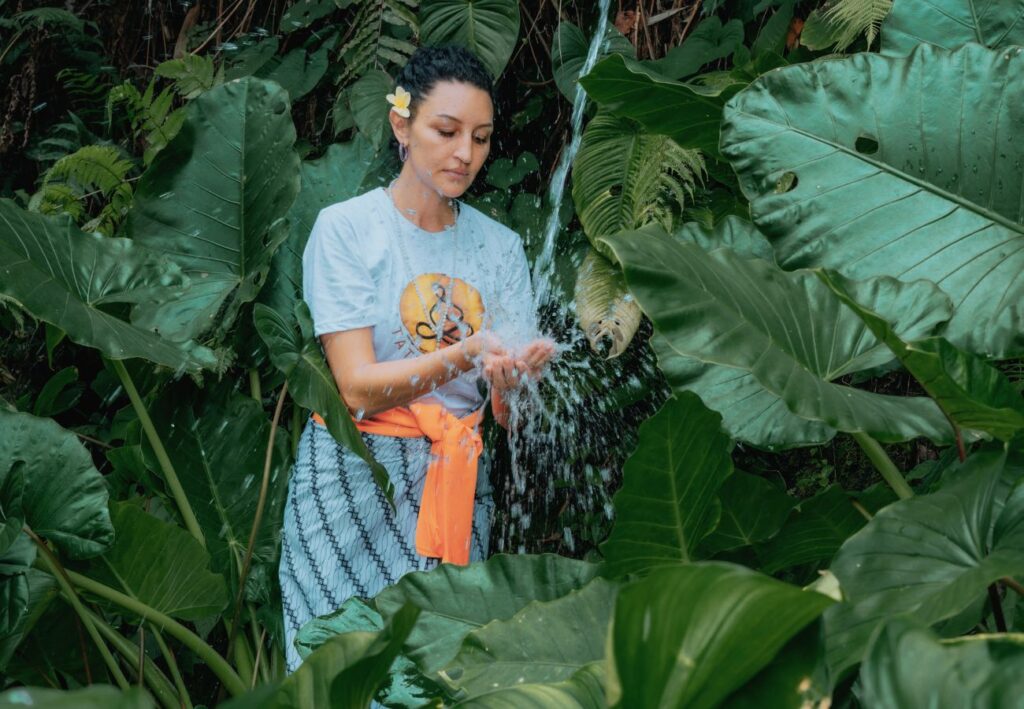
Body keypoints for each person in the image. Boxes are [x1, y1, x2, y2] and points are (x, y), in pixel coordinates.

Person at [278, 45, 555, 672]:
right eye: (446, 131)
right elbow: (354, 386)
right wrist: (470, 351)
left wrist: (513, 380)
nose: (466, 153)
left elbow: (509, 417)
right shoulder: (346, 230)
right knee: (334, 671)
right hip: (352, 475)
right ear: (401, 125)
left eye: (481, 138)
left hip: (455, 479)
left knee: (435, 676)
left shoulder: (501, 248)